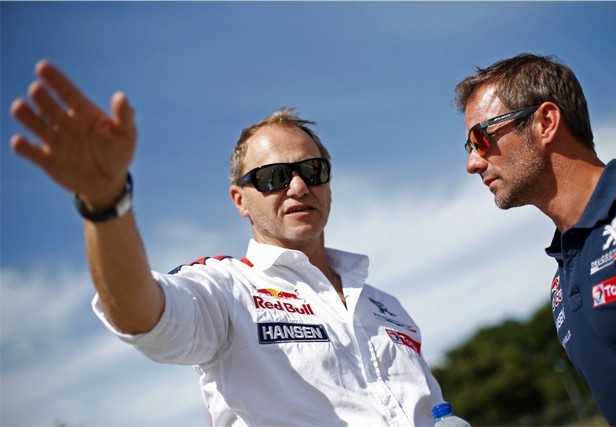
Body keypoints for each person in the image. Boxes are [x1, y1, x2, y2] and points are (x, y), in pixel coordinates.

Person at [10, 60, 444, 426]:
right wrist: (105, 203)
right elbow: (141, 315)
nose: (297, 186)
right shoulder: (227, 289)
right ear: (240, 200)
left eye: (312, 170)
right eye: (272, 178)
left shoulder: (384, 304)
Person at [454, 53, 616, 426]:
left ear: (546, 122)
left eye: (481, 138)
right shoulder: (561, 278)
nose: (472, 163)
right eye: (469, 147)